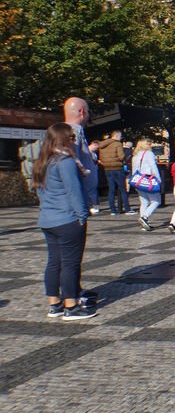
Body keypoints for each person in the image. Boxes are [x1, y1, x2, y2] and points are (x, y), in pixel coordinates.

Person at [33, 123, 95, 320]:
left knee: (54, 263)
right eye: (71, 137)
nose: (74, 141)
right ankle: (71, 306)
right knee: (70, 264)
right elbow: (73, 191)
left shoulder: (43, 161)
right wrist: (82, 215)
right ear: (63, 139)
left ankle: (54, 304)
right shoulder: (65, 161)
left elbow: (40, 192)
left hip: (48, 219)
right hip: (67, 219)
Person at [63, 97, 99, 214]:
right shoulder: (73, 134)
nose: (88, 115)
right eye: (87, 111)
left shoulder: (65, 132)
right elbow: (72, 170)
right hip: (74, 206)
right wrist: (80, 209)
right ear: (82, 111)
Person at [97, 130, 131, 215]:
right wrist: (126, 158)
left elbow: (101, 157)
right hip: (117, 168)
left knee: (111, 190)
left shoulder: (102, 145)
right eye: (120, 136)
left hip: (107, 168)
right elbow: (121, 156)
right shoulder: (117, 144)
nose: (120, 138)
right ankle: (127, 209)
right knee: (122, 189)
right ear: (116, 136)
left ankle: (113, 210)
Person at [131, 139, 163, 231]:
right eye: (149, 144)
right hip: (148, 180)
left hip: (139, 181)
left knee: (144, 202)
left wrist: (135, 181)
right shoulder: (149, 154)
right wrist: (158, 179)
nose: (150, 145)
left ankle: (144, 224)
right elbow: (153, 167)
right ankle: (145, 217)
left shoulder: (135, 155)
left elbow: (134, 170)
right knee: (156, 201)